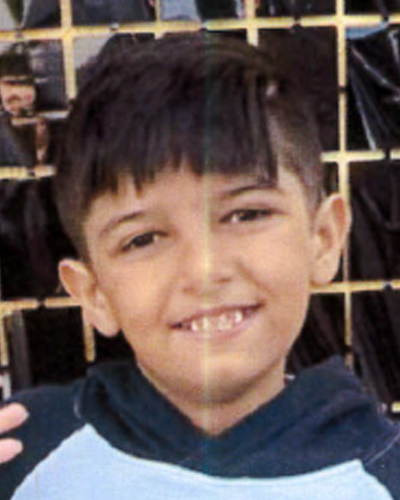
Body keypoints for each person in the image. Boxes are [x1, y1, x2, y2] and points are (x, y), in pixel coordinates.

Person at [0, 33, 399, 499]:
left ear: (324, 239)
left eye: (246, 214)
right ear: (94, 295)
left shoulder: (386, 477)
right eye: (143, 239)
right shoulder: (24, 457)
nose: (204, 270)